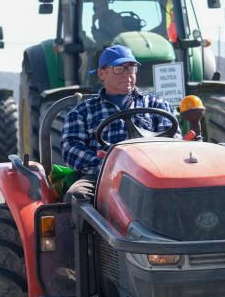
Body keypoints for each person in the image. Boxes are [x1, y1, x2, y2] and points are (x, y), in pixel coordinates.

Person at [60, 45, 177, 201]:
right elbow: (70, 147)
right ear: (102, 74)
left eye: (131, 68)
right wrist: (105, 164)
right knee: (77, 196)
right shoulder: (83, 111)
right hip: (101, 177)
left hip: (152, 175)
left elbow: (173, 141)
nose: (127, 74)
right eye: (119, 69)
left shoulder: (156, 105)